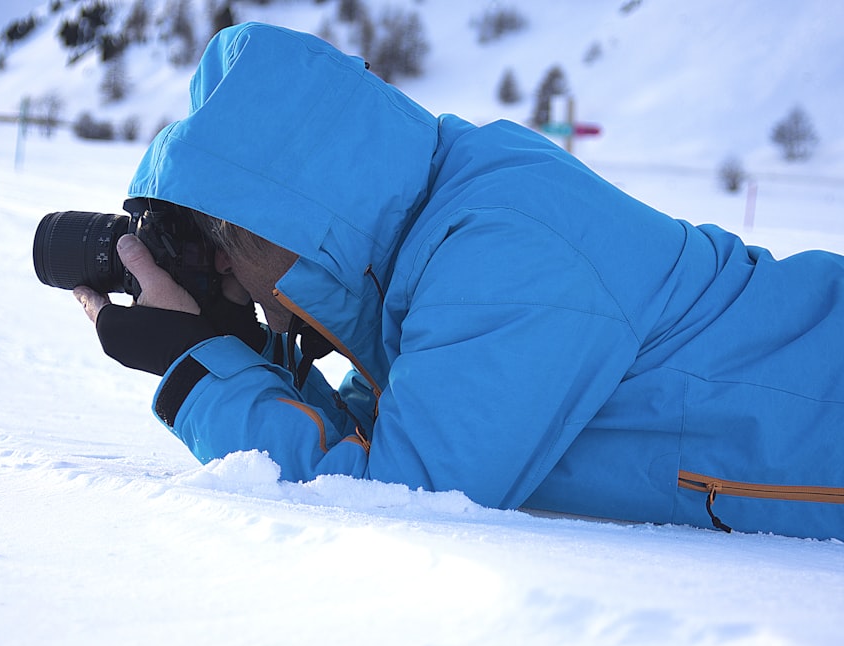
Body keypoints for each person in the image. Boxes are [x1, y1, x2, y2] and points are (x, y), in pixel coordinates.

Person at [73, 22, 844, 540]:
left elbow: (399, 500)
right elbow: (376, 435)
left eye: (224, 252)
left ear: (288, 222)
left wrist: (198, 365)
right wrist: (240, 352)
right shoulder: (441, 231)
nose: (229, 281)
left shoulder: (498, 254)